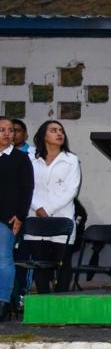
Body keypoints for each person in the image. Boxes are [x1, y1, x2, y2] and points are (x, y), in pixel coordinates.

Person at [25, 121, 81, 294]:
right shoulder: (30, 158)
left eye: (61, 131)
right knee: (40, 265)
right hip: (35, 216)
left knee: (63, 264)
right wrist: (38, 207)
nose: (59, 134)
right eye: (53, 130)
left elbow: (71, 190)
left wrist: (48, 209)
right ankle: (43, 301)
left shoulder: (71, 160)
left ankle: (61, 302)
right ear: (43, 135)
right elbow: (25, 186)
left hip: (61, 216)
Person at [0, 118, 34, 322]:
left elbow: (27, 189)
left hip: (7, 218)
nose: (7, 134)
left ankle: (3, 301)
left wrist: (20, 216)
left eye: (10, 130)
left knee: (3, 259)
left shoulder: (20, 158)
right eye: (2, 130)